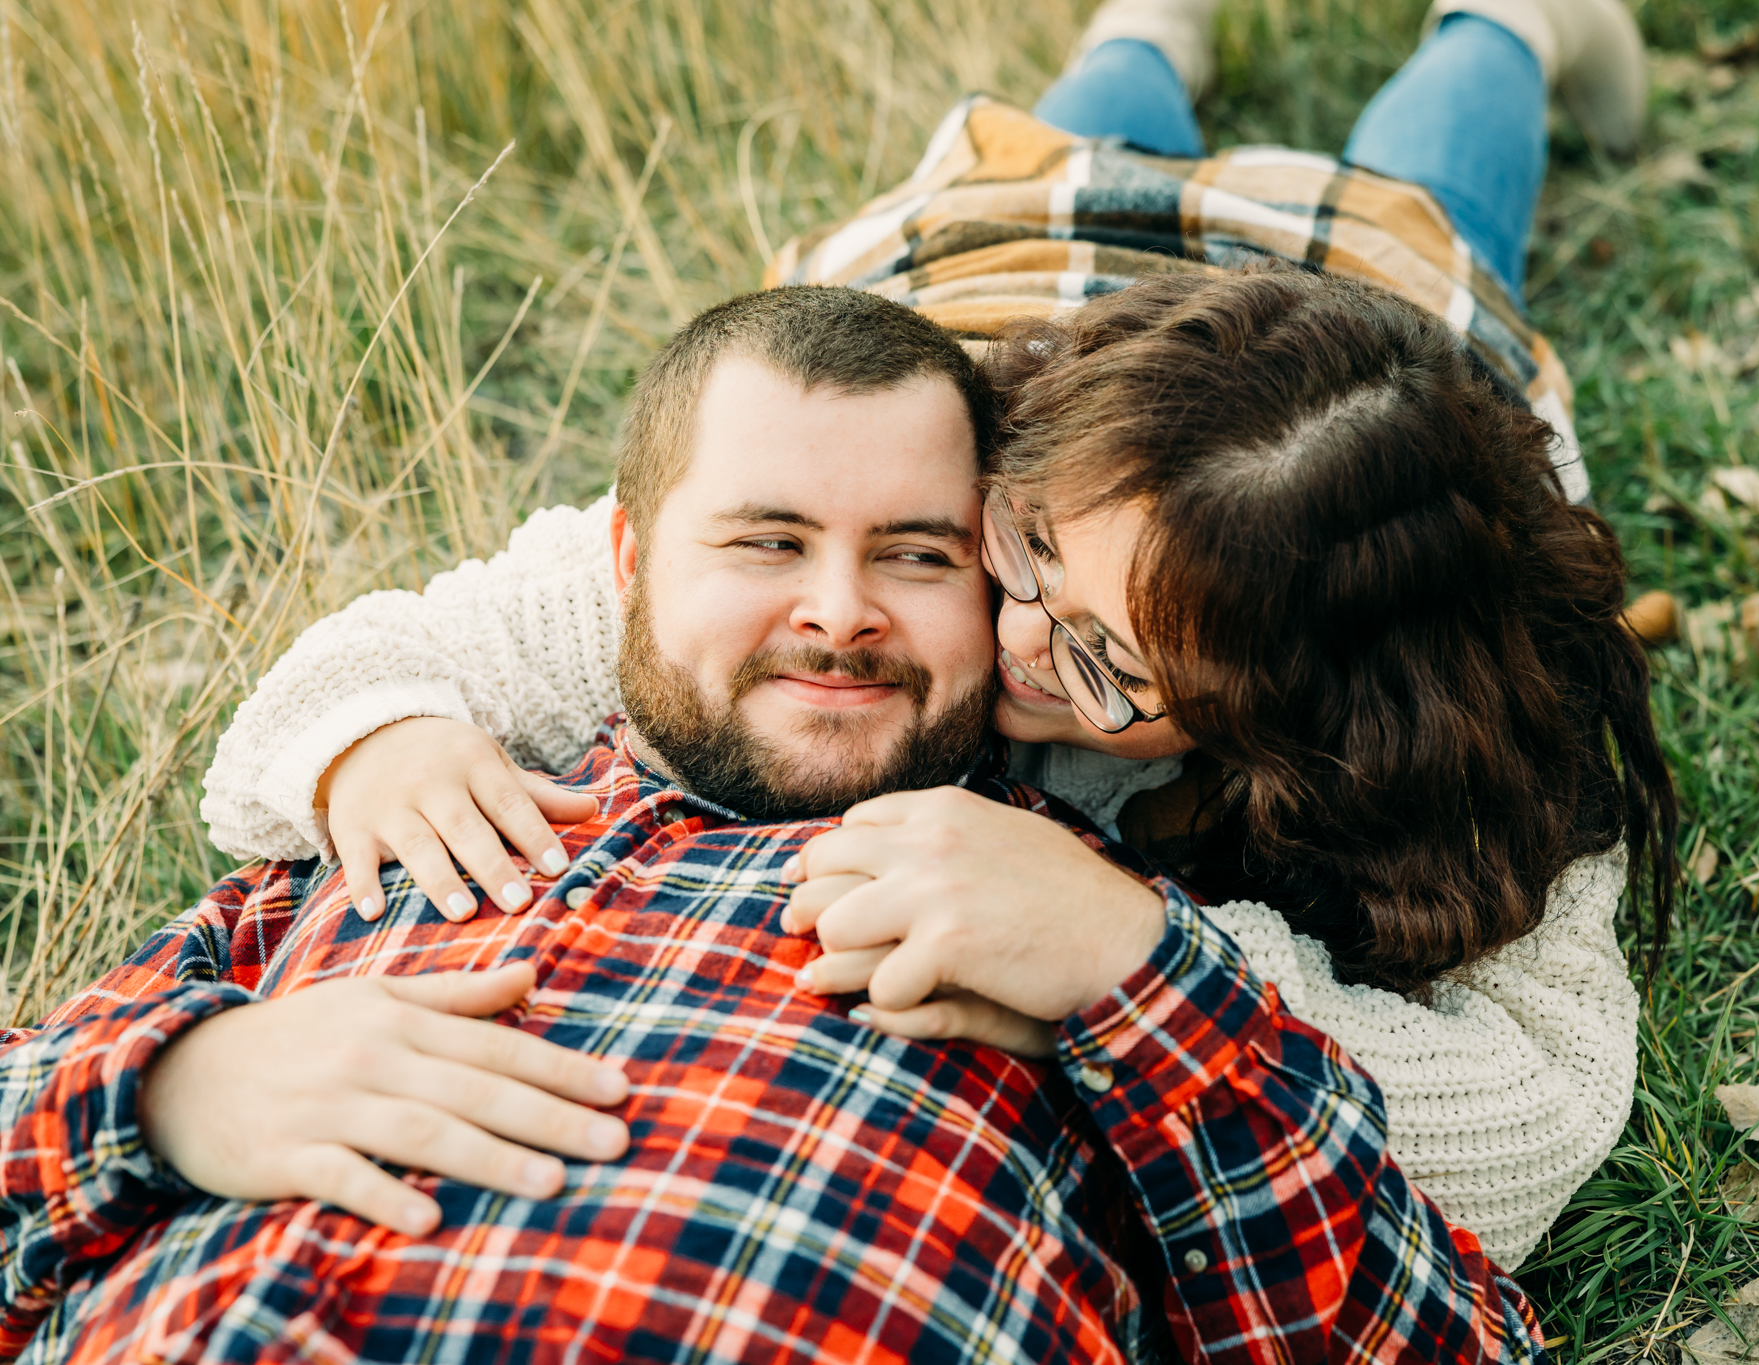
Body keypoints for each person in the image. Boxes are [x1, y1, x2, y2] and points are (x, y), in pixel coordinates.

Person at [199, 0, 1671, 1271]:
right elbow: (390, 652)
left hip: (1378, 324)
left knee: (1426, 199)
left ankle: (1512, 24)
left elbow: (1541, 1117)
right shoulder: (897, 494)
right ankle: (1149, 29)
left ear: (1296, 724)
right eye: (1018, 549)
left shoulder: (1453, 704)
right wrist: (373, 738)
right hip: (1004, 260)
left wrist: (1139, 959)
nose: (1015, 637)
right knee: (1081, 123)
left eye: (1109, 664)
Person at [0, 288, 1546, 1364]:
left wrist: (1137, 973)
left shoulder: (1081, 939)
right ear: (628, 564)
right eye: (763, 542)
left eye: (922, 555)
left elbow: (1438, 1329)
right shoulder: (428, 801)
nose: (836, 612)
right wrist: (175, 1088)